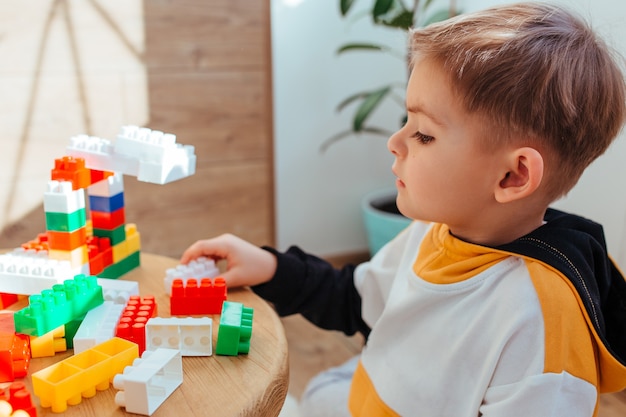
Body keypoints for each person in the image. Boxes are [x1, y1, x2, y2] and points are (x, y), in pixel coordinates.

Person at [181, 3, 626, 416]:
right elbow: (357, 298)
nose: (394, 143)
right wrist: (272, 268)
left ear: (512, 176)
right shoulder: (439, 233)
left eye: (424, 135)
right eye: (405, 124)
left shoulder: (541, 326)